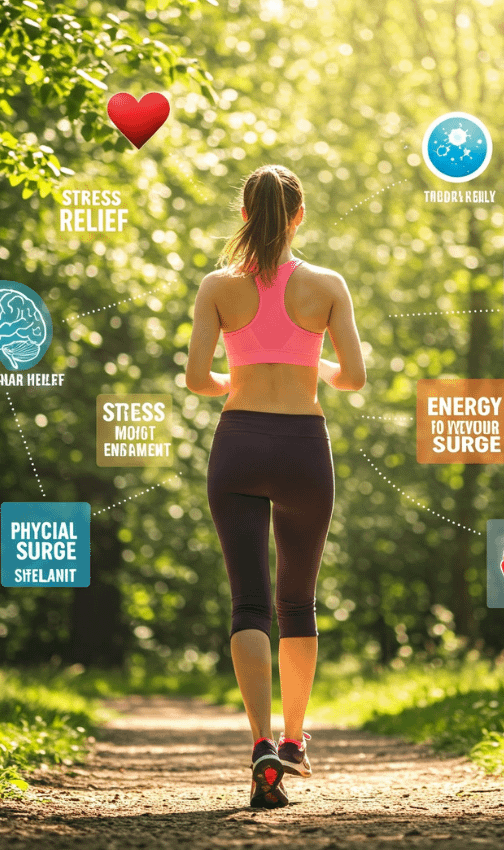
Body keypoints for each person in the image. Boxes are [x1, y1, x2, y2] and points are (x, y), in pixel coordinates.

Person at [185, 164, 366, 809]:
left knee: (248, 603)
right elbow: (353, 377)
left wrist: (242, 379)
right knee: (299, 600)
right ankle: (293, 740)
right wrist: (305, 361)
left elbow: (197, 379)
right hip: (302, 446)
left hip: (237, 443)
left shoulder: (217, 286)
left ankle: (260, 741)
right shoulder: (326, 285)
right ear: (298, 215)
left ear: (244, 212)